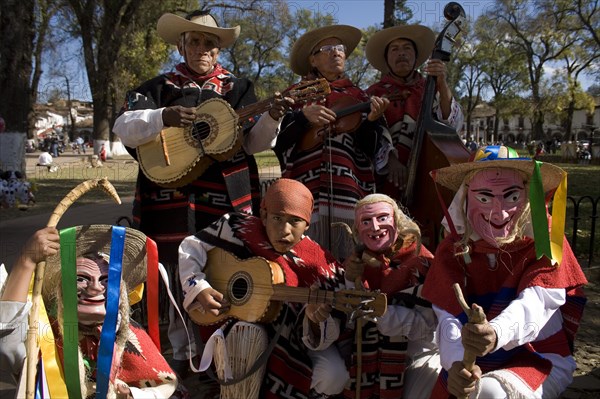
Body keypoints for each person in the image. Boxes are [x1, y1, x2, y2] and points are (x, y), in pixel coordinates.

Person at [113, 10, 289, 374]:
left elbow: (255, 143)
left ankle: (224, 361)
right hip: (168, 200)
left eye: (209, 42)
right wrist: (164, 117)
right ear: (182, 45)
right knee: (171, 270)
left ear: (218, 48)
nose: (202, 48)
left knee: (225, 268)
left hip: (226, 198)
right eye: (194, 41)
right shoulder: (156, 88)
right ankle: (178, 362)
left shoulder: (239, 89)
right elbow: (124, 127)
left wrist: (272, 116)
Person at [422, 145, 588, 398]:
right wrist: (456, 363)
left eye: (511, 197)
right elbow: (447, 314)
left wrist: (497, 332)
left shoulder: (544, 240)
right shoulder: (452, 249)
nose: (498, 212)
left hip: (536, 354)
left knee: (489, 393)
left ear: (527, 194)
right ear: (466, 197)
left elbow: (539, 299)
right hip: (469, 356)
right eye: (485, 198)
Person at [179, 178, 349, 398]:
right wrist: (199, 287)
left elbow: (335, 319)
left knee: (334, 374)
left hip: (291, 339)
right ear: (264, 213)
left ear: (307, 224)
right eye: (277, 218)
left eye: (295, 221)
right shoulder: (236, 227)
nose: (284, 230)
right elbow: (190, 248)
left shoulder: (317, 261)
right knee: (248, 334)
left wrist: (315, 321)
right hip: (236, 328)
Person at [0, 225, 180, 398]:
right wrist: (26, 261)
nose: (95, 288)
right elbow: (7, 346)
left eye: (105, 279)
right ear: (60, 288)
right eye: (81, 278)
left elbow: (164, 382)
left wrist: (135, 395)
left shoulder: (128, 332)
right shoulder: (43, 333)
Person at [273, 25, 390, 261]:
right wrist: (302, 118)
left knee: (349, 257)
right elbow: (276, 141)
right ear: (313, 60)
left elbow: (372, 150)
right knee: (305, 258)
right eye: (327, 49)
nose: (335, 53)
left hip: (349, 186)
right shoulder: (293, 95)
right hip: (304, 184)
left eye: (339, 48)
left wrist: (372, 122)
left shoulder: (360, 96)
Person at [341, 193, 438, 399]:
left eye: (382, 218)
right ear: (358, 229)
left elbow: (431, 328)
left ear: (397, 220)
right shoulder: (355, 263)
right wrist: (350, 279)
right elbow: (345, 320)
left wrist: (383, 314)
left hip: (417, 354)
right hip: (364, 358)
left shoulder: (421, 261)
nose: (375, 227)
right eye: (366, 221)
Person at [365, 25, 464, 198]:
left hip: (427, 174)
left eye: (407, 48)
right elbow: (368, 134)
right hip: (385, 178)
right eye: (394, 49)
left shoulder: (431, 88)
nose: (401, 53)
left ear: (416, 56)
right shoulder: (373, 93)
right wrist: (391, 161)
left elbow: (451, 124)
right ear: (386, 58)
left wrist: (442, 82)